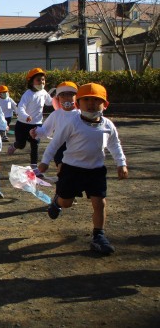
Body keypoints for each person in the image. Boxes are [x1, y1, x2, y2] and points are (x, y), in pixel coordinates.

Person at [38, 83, 128, 254]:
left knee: (99, 203)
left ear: (105, 105)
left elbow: (115, 145)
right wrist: (45, 161)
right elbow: (55, 143)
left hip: (96, 170)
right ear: (78, 103)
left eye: (96, 100)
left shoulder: (108, 125)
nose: (91, 103)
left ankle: (98, 235)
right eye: (86, 99)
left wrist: (121, 163)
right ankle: (57, 201)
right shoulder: (73, 122)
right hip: (72, 170)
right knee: (67, 203)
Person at [7, 67, 53, 169]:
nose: (42, 82)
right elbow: (20, 108)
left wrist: (58, 100)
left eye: (43, 79)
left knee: (35, 145)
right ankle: (15, 145)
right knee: (21, 144)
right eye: (38, 80)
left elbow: (49, 102)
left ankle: (34, 167)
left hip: (37, 124)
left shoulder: (44, 92)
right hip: (23, 124)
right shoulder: (27, 95)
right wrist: (26, 116)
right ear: (31, 82)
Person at [29, 81, 79, 169]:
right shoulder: (56, 114)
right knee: (62, 168)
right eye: (62, 95)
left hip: (77, 147)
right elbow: (46, 130)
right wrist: (36, 131)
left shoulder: (80, 114)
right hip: (60, 146)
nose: (66, 98)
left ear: (77, 97)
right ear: (58, 98)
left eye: (70, 94)